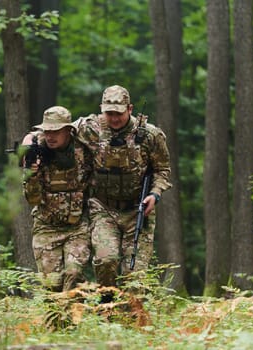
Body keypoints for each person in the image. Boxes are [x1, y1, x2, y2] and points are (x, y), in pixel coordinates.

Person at [74, 85, 172, 287]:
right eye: (109, 113)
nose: (114, 118)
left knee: (134, 274)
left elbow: (163, 170)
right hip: (103, 208)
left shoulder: (149, 135)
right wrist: (32, 138)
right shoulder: (91, 128)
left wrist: (155, 194)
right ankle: (107, 308)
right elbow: (59, 130)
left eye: (118, 113)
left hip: (138, 210)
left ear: (130, 109)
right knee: (105, 260)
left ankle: (131, 315)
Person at [22, 106, 93, 292]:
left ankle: (77, 319)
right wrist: (31, 174)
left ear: (68, 130)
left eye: (55, 131)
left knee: (74, 275)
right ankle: (57, 321)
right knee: (52, 286)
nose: (50, 136)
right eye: (47, 131)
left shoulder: (83, 147)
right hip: (47, 227)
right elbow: (33, 199)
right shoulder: (36, 151)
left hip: (77, 227)